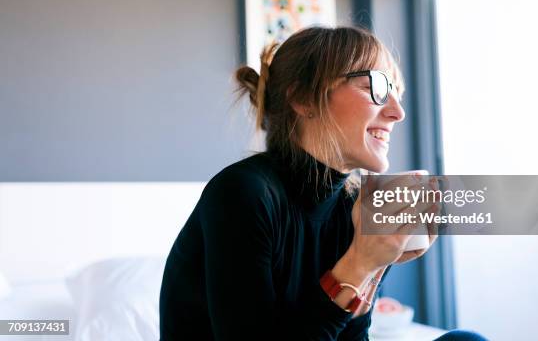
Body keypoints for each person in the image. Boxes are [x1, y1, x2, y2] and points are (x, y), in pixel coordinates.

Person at [159, 26, 486, 341]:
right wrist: (359, 263)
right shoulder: (241, 193)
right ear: (304, 98)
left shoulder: (354, 206)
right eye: (378, 87)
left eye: (396, 94)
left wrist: (375, 267)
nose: (397, 112)